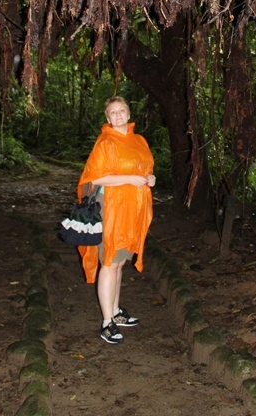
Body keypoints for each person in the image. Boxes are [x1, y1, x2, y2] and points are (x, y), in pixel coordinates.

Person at [76, 96, 156, 344]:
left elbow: (145, 168)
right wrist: (128, 179)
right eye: (113, 112)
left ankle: (116, 311)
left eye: (122, 110)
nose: (118, 115)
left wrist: (150, 178)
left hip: (132, 211)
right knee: (109, 262)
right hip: (111, 209)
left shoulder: (139, 140)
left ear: (129, 113)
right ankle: (106, 322)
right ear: (108, 118)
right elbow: (94, 178)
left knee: (120, 263)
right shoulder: (105, 142)